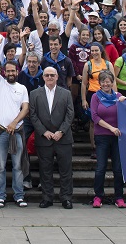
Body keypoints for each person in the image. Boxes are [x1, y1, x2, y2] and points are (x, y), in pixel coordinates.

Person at [0, 34, 29, 208]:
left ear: (17, 72)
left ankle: (19, 195)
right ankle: (0, 196)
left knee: (18, 166)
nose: (11, 73)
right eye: (8, 71)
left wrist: (14, 123)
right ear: (4, 72)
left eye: (13, 71)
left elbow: (25, 108)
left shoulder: (22, 88)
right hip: (1, 131)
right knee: (0, 166)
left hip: (17, 131)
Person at [29, 65, 75, 209]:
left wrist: (61, 131)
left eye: (52, 75)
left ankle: (66, 198)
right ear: (43, 77)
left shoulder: (66, 93)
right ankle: (47, 198)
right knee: (45, 170)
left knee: (66, 170)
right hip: (44, 138)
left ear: (57, 77)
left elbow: (70, 114)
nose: (49, 77)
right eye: (47, 75)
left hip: (63, 138)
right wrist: (44, 132)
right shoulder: (35, 94)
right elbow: (33, 115)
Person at [89, 71, 126, 209]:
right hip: (102, 136)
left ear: (113, 82)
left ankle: (119, 197)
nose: (106, 83)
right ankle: (98, 196)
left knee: (118, 168)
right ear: (100, 83)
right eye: (103, 81)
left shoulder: (119, 97)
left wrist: (125, 101)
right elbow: (95, 117)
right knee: (100, 168)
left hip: (118, 137)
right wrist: (111, 128)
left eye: (108, 81)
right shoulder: (95, 97)